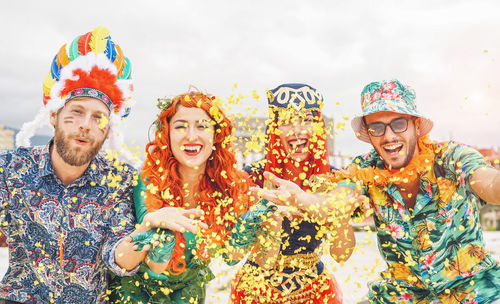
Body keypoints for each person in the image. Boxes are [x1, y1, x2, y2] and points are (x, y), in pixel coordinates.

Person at [0, 26, 201, 303]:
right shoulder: (10, 168)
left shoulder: (120, 180)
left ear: (108, 130)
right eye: (77, 112)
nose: (85, 125)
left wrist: (146, 231)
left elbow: (118, 258)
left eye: (98, 117)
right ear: (54, 117)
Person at [260, 80, 500, 303]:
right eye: (377, 127)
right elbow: (336, 202)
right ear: (369, 134)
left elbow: (490, 185)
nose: (389, 136)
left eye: (398, 124)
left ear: (416, 126)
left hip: (476, 289)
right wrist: (302, 198)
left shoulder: (452, 157)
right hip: (401, 294)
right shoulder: (364, 168)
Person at [110, 90, 273, 303]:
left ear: (216, 135)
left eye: (202, 126)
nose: (191, 136)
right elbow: (156, 265)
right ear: (166, 134)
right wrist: (161, 235)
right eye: (180, 126)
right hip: (135, 293)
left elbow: (231, 257)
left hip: (190, 293)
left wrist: (250, 226)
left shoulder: (230, 186)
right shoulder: (149, 181)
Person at [231, 83, 355, 304]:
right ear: (274, 129)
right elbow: (232, 254)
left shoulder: (335, 180)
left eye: (306, 120)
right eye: (287, 121)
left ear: (318, 127)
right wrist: (269, 220)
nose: (297, 130)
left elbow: (342, 255)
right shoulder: (253, 178)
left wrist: (339, 214)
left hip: (315, 290)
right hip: (256, 291)